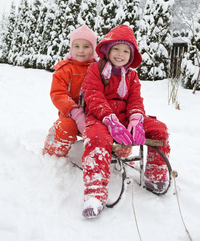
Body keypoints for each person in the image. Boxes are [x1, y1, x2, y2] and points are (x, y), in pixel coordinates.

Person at [81, 24, 170, 218]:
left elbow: (135, 99)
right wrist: (109, 120)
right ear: (107, 49)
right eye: (116, 49)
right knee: (97, 138)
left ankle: (154, 176)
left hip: (125, 116)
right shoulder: (95, 70)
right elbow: (93, 95)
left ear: (131, 56)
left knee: (159, 129)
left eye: (125, 51)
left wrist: (136, 119)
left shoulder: (132, 76)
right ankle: (95, 193)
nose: (120, 54)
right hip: (100, 116)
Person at [43, 25, 97, 157]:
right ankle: (53, 151)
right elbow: (58, 93)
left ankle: (119, 153)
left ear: (94, 49)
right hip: (71, 114)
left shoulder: (99, 69)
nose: (81, 51)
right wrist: (75, 111)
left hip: (95, 113)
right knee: (65, 127)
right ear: (71, 48)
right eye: (76, 46)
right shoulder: (65, 69)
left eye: (86, 46)